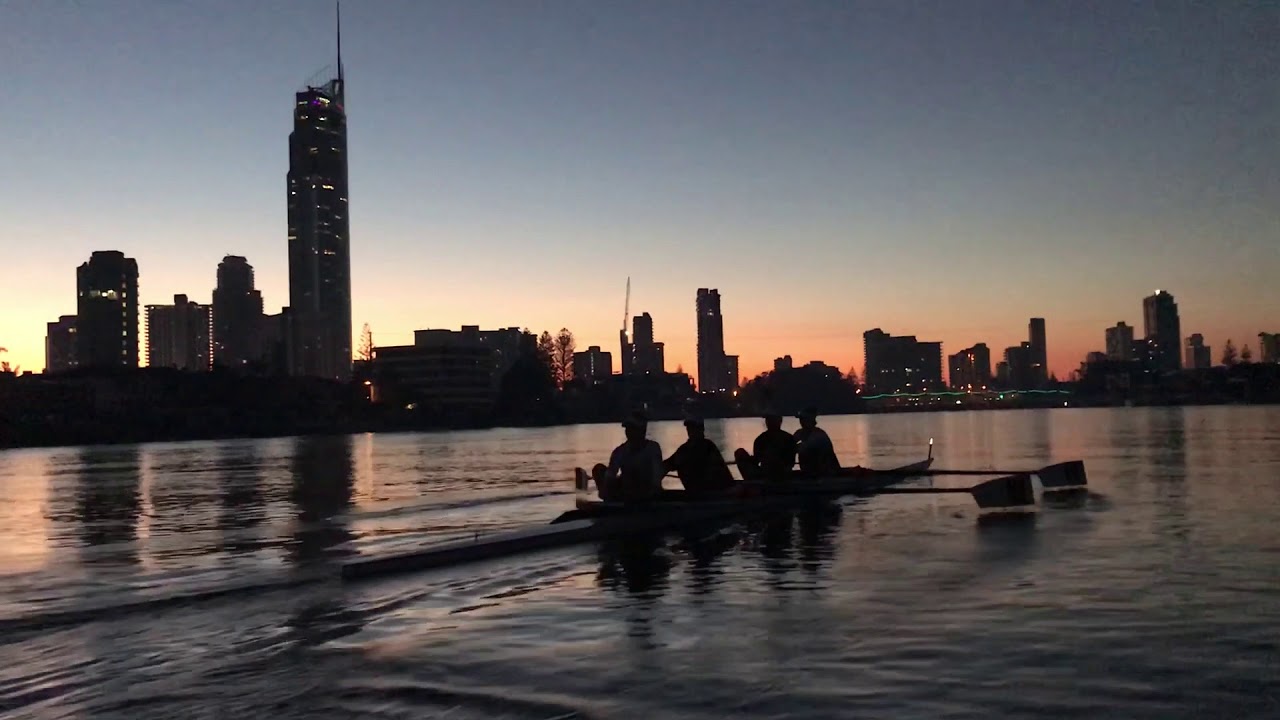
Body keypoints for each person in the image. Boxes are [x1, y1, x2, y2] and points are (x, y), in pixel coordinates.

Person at [592, 410, 664, 502]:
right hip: (627, 492)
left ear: (642, 430)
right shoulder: (619, 451)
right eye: (628, 428)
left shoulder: (653, 448)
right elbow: (610, 475)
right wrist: (606, 488)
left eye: (632, 428)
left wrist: (655, 490)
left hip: (647, 493)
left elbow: (656, 476)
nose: (628, 432)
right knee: (598, 469)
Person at [663, 416, 737, 499]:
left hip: (709, 493)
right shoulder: (684, 449)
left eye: (693, 428)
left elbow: (719, 472)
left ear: (701, 429)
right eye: (689, 428)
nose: (690, 431)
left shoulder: (707, 447)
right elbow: (666, 466)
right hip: (702, 493)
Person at [793, 407, 840, 477]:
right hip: (811, 473)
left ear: (810, 420)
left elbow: (801, 448)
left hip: (826, 473)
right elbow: (790, 444)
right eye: (801, 419)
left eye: (803, 419)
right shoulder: (800, 432)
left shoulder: (819, 435)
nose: (801, 422)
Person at [750, 412, 796, 483]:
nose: (769, 422)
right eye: (768, 419)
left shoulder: (788, 438)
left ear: (780, 421)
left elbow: (790, 463)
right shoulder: (760, 439)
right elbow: (756, 459)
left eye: (772, 420)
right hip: (765, 472)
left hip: (783, 473)